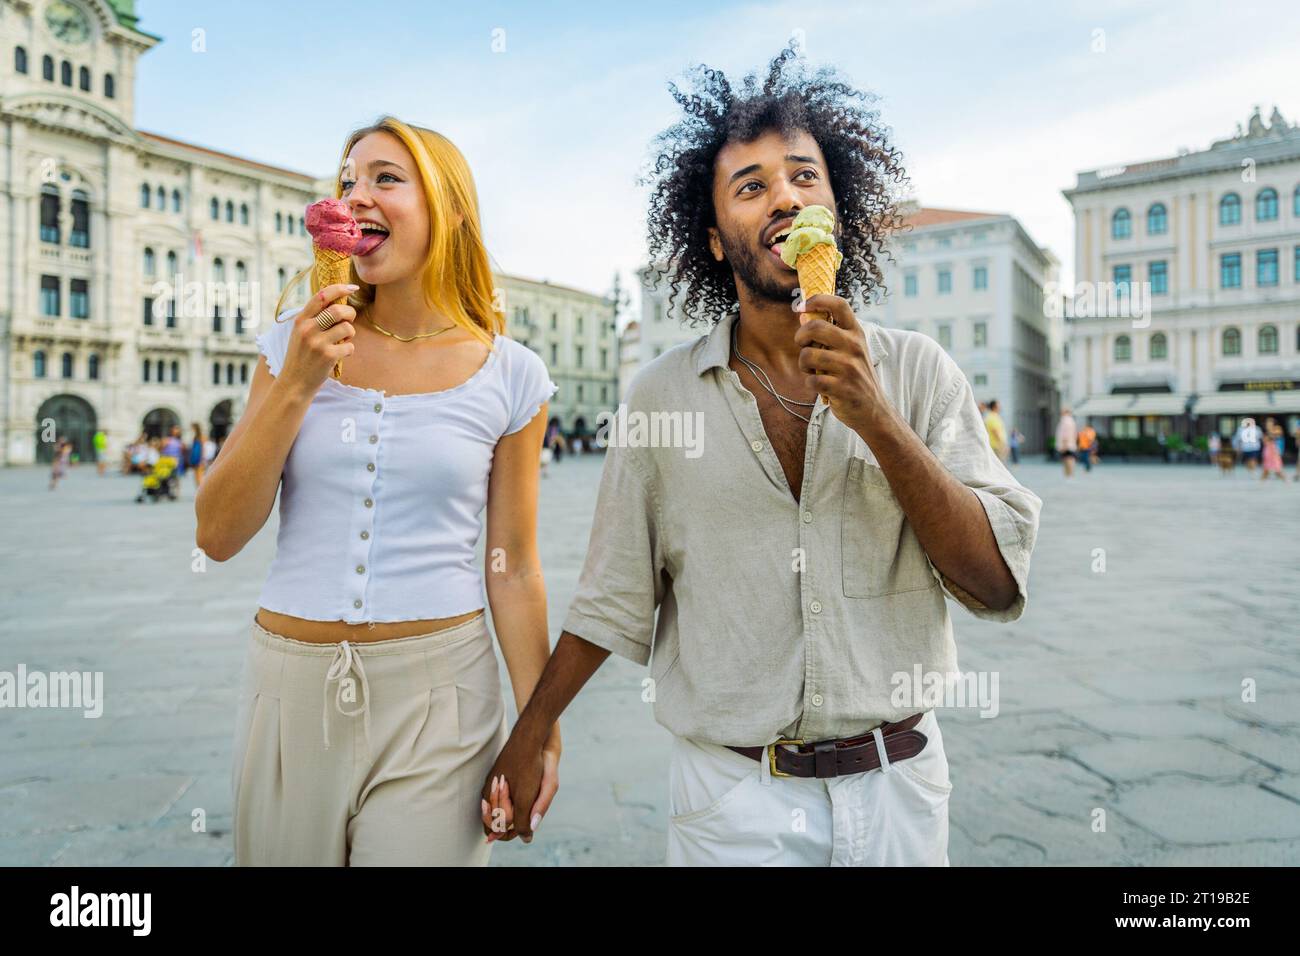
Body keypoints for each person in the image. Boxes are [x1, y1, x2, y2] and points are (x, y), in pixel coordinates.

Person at [480, 47, 1041, 866]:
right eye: (751, 187)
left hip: (899, 794)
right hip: (731, 802)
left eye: (804, 177)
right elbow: (612, 596)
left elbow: (994, 582)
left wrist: (877, 420)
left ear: (837, 211)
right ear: (712, 240)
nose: (784, 196)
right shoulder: (659, 399)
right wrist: (530, 732)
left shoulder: (919, 372)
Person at [194, 116, 560, 866]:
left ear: (449, 209)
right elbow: (217, 535)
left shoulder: (512, 374)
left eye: (386, 179)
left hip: (443, 701)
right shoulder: (284, 348)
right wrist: (297, 383)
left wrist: (538, 724)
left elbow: (514, 566)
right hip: (288, 691)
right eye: (347, 180)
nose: (357, 195)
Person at [984, 398, 1009, 463]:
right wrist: (1003, 445)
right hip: (997, 446)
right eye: (999, 405)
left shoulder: (994, 416)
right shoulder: (992, 417)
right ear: (995, 407)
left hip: (997, 446)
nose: (1000, 407)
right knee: (1000, 468)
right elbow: (996, 432)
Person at [1055, 407, 1078, 477]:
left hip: (1066, 444)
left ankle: (1068, 474)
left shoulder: (1065, 421)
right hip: (1070, 443)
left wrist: (1065, 444)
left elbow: (1065, 433)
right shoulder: (1071, 421)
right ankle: (1069, 473)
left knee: (1068, 458)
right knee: (1069, 458)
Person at [187, 422, 207, 489]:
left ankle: (201, 490)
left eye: (192, 428)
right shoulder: (195, 437)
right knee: (195, 475)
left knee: (199, 475)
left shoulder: (201, 436)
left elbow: (203, 448)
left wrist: (202, 459)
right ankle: (198, 490)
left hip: (199, 458)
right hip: (194, 457)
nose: (191, 430)